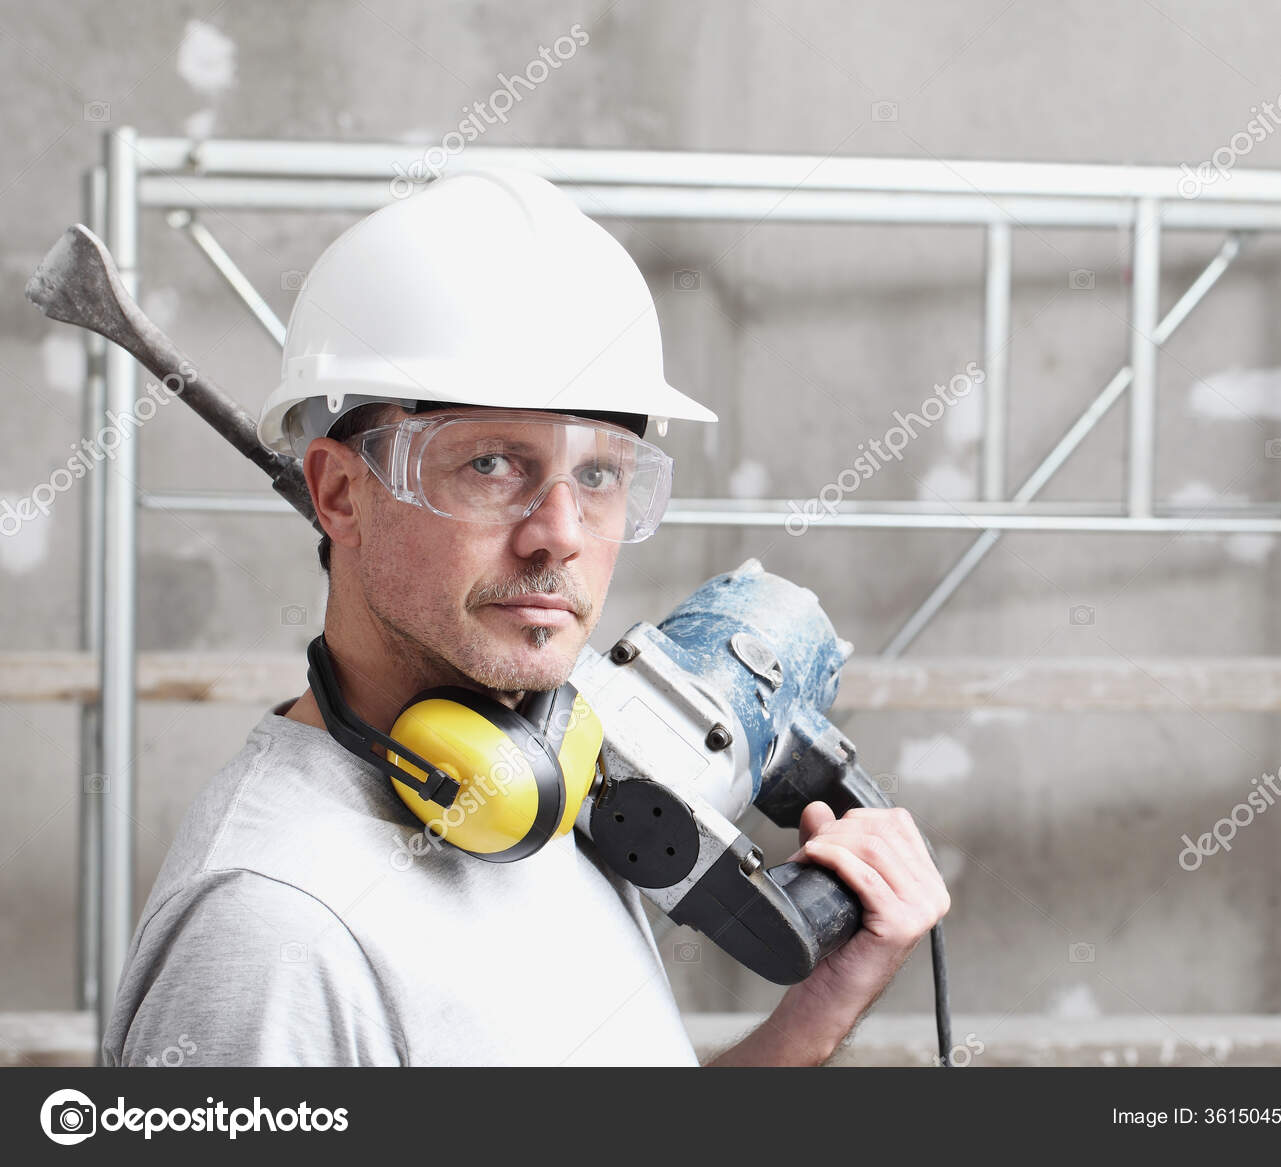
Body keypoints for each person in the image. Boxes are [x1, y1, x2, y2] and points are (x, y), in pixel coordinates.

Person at [100, 168, 949, 1066]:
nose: (559, 536)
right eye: (490, 466)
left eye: (598, 474)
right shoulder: (273, 932)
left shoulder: (538, 784)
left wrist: (821, 1005)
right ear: (340, 494)